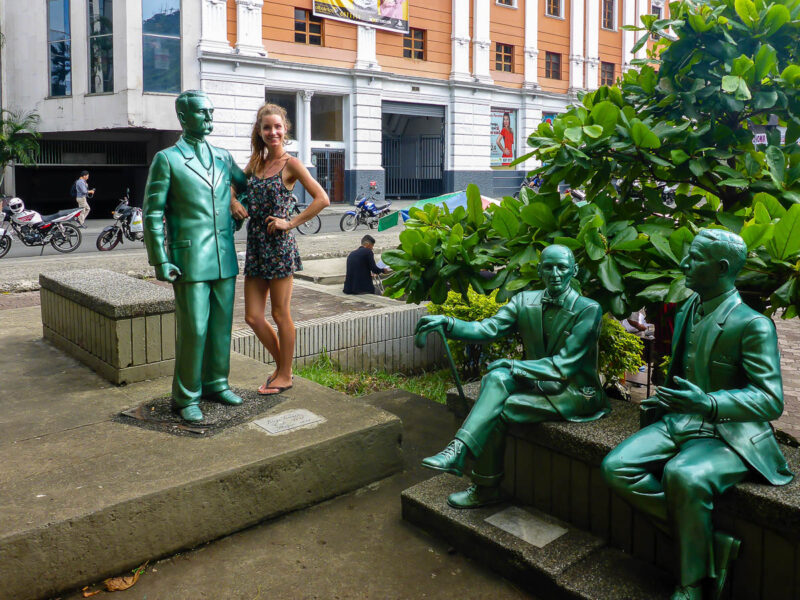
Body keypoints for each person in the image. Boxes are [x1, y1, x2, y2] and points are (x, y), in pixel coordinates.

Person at [602, 229, 792, 600]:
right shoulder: (690, 306)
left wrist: (710, 403)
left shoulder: (754, 325)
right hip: (680, 420)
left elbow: (771, 400)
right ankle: (708, 546)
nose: (685, 263)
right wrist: (666, 400)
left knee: (682, 475)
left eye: (696, 258)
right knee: (615, 467)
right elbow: (680, 372)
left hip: (730, 434)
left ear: (721, 268)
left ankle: (691, 583)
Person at [415, 244, 610, 508]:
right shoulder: (524, 301)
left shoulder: (589, 309)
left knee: (497, 407)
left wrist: (514, 365)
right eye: (549, 266)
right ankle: (458, 450)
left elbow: (564, 367)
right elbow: (489, 328)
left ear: (573, 271)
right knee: (495, 380)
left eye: (562, 267)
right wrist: (449, 323)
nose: (555, 273)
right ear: (539, 269)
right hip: (539, 381)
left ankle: (485, 487)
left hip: (574, 392)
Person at [143, 90, 248, 422]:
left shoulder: (223, 156)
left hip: (224, 258)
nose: (209, 118)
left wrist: (234, 206)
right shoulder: (168, 159)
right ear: (183, 117)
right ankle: (186, 395)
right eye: (202, 113)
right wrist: (160, 259)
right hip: (189, 260)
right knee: (195, 330)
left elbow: (243, 184)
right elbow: (152, 213)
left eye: (211, 112)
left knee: (221, 328)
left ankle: (217, 382)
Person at [230, 103, 329, 396]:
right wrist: (233, 201)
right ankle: (282, 367)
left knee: (280, 313)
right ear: (259, 132)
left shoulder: (291, 164)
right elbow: (234, 187)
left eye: (277, 127)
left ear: (285, 130)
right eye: (267, 128)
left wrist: (291, 222)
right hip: (257, 247)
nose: (273, 132)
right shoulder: (255, 164)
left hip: (279, 247)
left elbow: (322, 199)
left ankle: (285, 374)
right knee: (252, 317)